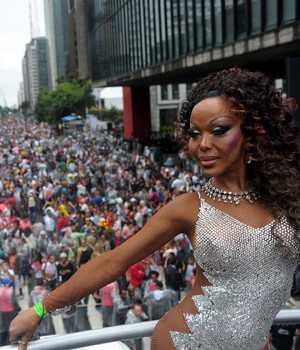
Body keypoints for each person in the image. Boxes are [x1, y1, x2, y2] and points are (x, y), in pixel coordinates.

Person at [9, 67, 300, 350]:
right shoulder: (188, 208)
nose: (202, 144)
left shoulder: (286, 199)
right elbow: (115, 261)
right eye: (194, 134)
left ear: (251, 131)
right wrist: (40, 308)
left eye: (219, 130)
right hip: (185, 342)